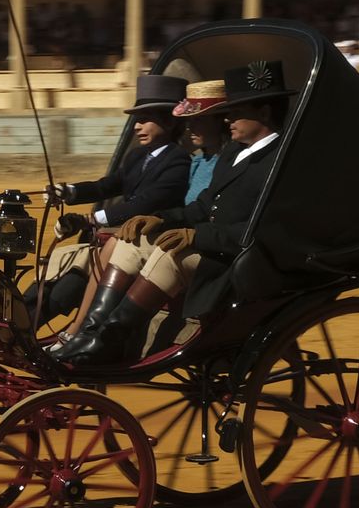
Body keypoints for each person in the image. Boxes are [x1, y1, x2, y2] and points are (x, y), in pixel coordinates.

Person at [57, 61, 294, 367]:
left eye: (237, 111)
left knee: (171, 253)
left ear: (264, 113)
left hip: (237, 258)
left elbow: (260, 229)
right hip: (210, 245)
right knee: (130, 243)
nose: (228, 119)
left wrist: (197, 235)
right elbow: (204, 206)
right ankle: (91, 334)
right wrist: (162, 219)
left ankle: (110, 339)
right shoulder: (234, 154)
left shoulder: (280, 161)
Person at [24, 75, 190, 327]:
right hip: (120, 238)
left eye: (145, 119)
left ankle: (44, 326)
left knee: (77, 275)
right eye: (137, 119)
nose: (136, 126)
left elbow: (146, 202)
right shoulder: (137, 156)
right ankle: (22, 319)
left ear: (169, 120)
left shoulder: (179, 160)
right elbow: (108, 185)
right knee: (64, 265)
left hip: (146, 241)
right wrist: (69, 192)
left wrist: (92, 219)